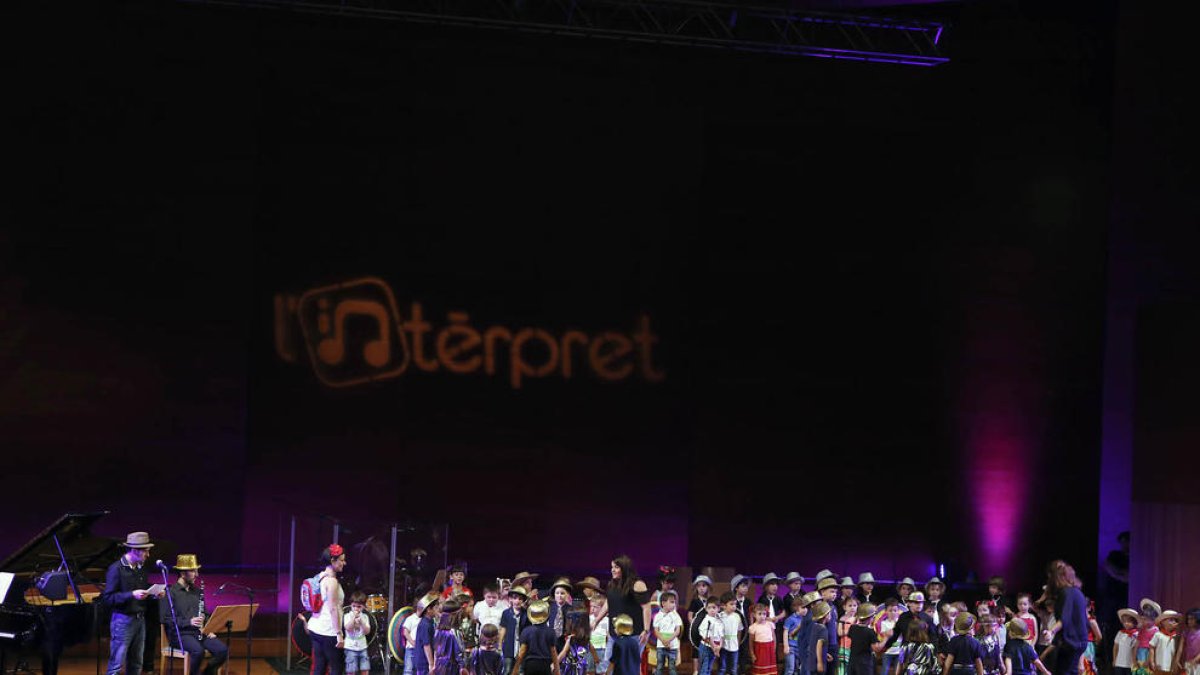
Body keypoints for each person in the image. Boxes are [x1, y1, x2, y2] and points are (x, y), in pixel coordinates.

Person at [102, 532, 166, 675]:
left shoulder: (140, 568)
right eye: (145, 551)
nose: (148, 555)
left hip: (140, 620)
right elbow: (108, 598)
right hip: (122, 620)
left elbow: (142, 591)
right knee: (116, 665)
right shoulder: (116, 569)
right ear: (135, 550)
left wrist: (154, 594)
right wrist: (131, 594)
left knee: (137, 663)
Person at [158, 554, 227, 675]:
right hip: (180, 635)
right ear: (182, 573)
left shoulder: (197, 591)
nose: (197, 574)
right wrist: (188, 622)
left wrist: (208, 628)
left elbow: (205, 613)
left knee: (222, 650)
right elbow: (165, 619)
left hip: (199, 633)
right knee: (198, 651)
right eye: (193, 571)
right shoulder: (169, 593)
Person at [308, 544, 349, 675]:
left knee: (319, 667)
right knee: (336, 668)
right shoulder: (332, 582)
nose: (344, 563)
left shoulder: (320, 576)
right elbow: (333, 609)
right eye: (341, 560)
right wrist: (339, 634)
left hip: (315, 627)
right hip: (329, 631)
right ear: (332, 561)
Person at [606, 556, 652, 672]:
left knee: (629, 667)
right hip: (614, 632)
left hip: (634, 634)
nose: (612, 570)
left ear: (624, 568)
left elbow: (646, 608)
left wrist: (646, 630)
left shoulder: (637, 584)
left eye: (616, 567)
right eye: (612, 567)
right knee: (610, 664)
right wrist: (596, 621)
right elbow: (608, 603)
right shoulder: (612, 584)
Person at [1042, 561, 1088, 675]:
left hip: (1070, 643)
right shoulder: (1078, 593)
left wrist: (1051, 631)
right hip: (1079, 642)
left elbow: (1064, 619)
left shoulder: (1066, 593)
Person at [514, 600, 557, 675]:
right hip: (545, 664)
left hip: (530, 664)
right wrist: (557, 669)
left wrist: (515, 668)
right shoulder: (551, 632)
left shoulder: (526, 631)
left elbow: (522, 651)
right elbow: (553, 652)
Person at [501, 586, 531, 675]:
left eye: (520, 599)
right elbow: (503, 629)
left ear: (523, 601)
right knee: (507, 670)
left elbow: (528, 630)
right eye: (515, 598)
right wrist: (499, 644)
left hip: (522, 647)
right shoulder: (506, 613)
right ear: (510, 599)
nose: (517, 601)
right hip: (509, 646)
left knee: (521, 670)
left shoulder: (526, 613)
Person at [690, 576, 716, 675]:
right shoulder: (695, 601)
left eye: (704, 586)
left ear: (708, 587)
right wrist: (693, 626)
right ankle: (695, 670)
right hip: (697, 630)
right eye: (699, 586)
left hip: (708, 630)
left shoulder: (710, 601)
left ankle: (705, 669)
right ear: (696, 588)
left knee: (707, 649)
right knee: (696, 649)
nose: (701, 588)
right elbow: (690, 614)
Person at [846, 603, 881, 675]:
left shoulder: (853, 628)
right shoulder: (870, 632)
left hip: (852, 662)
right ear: (871, 618)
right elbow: (876, 648)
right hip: (864, 664)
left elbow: (850, 636)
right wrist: (887, 638)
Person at [652, 592, 682, 675]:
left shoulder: (675, 615)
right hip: (661, 646)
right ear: (663, 603)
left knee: (672, 668)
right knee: (659, 666)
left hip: (673, 646)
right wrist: (663, 640)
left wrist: (668, 640)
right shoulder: (658, 616)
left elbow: (677, 630)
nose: (674, 604)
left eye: (674, 602)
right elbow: (656, 630)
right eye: (671, 602)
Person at [433, 599, 466, 675]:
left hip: (439, 665)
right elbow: (459, 652)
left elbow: (435, 650)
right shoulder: (454, 632)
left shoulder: (437, 630)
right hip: (452, 667)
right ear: (454, 615)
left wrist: (434, 665)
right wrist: (462, 666)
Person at [343, 592, 372, 675]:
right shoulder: (347, 616)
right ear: (350, 605)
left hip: (362, 647)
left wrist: (362, 621)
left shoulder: (365, 617)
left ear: (363, 606)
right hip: (350, 647)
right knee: (351, 669)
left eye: (359, 606)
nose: (356, 609)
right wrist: (353, 619)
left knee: (365, 668)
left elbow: (367, 631)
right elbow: (348, 628)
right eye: (354, 606)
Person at [413, 594, 442, 675]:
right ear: (429, 609)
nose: (437, 610)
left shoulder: (430, 622)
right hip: (424, 662)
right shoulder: (424, 624)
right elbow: (426, 645)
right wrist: (431, 664)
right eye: (435, 608)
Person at [719, 593, 746, 675]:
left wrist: (738, 641)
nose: (734, 606)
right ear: (723, 605)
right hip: (723, 645)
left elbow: (739, 630)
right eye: (731, 604)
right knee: (722, 667)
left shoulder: (737, 616)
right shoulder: (719, 616)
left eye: (735, 604)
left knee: (734, 667)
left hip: (734, 644)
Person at [698, 597, 725, 675]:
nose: (712, 610)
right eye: (709, 608)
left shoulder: (719, 620)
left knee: (709, 667)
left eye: (714, 607)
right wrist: (714, 648)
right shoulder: (706, 620)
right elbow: (707, 637)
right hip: (706, 647)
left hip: (715, 647)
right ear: (706, 609)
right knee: (704, 668)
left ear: (718, 609)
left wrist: (719, 646)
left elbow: (721, 635)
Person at [748, 604, 776, 675]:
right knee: (760, 669)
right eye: (759, 614)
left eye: (764, 614)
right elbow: (751, 642)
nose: (762, 616)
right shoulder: (753, 627)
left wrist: (774, 649)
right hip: (759, 650)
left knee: (769, 669)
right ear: (754, 615)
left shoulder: (770, 624)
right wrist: (752, 654)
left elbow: (774, 638)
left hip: (769, 649)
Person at [547, 579, 574, 649]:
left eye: (562, 593)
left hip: (565, 643)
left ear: (567, 594)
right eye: (557, 593)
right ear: (554, 594)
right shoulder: (549, 608)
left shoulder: (571, 609)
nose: (559, 596)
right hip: (550, 642)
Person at [806, 602, 832, 675]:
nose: (830, 615)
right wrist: (820, 663)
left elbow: (813, 644)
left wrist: (825, 654)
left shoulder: (815, 626)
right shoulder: (823, 629)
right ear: (825, 615)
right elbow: (819, 645)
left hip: (812, 662)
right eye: (829, 613)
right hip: (817, 663)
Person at [836, 597, 858, 675]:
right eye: (850, 605)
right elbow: (839, 632)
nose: (852, 608)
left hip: (854, 647)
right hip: (844, 647)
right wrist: (850, 631)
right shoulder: (842, 619)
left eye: (854, 605)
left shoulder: (858, 619)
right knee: (843, 667)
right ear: (844, 607)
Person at [1113, 608, 1139, 675]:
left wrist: (1135, 661)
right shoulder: (1120, 633)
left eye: (1129, 621)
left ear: (1134, 622)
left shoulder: (1137, 634)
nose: (1126, 623)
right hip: (1119, 663)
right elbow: (1115, 647)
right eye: (1124, 621)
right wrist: (1114, 659)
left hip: (1130, 664)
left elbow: (1135, 649)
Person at [591, 595, 610, 675]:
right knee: (589, 670)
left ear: (603, 608)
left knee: (601, 671)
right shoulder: (589, 619)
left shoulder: (606, 620)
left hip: (601, 649)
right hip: (590, 649)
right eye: (591, 606)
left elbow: (608, 636)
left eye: (595, 607)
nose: (592, 609)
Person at [1177, 609, 1200, 675]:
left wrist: (1195, 659)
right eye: (1188, 619)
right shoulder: (1186, 633)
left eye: (1192, 619)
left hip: (1198, 663)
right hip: (1188, 662)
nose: (1189, 621)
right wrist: (1177, 659)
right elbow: (1180, 648)